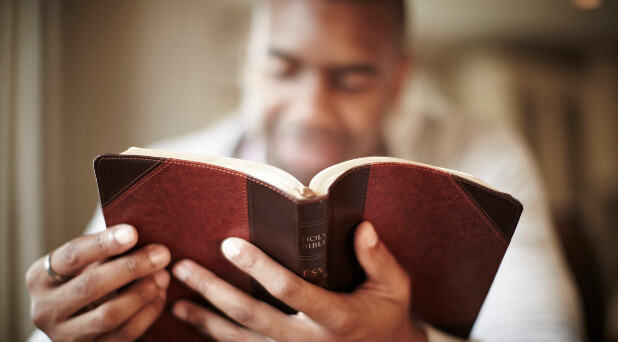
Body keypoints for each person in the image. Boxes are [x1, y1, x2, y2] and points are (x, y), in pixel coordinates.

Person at [26, 0, 583, 341]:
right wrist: (62, 327)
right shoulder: (155, 172)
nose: (311, 110)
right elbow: (73, 319)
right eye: (283, 67)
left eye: (351, 78)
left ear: (397, 80)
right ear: (247, 58)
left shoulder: (483, 154)